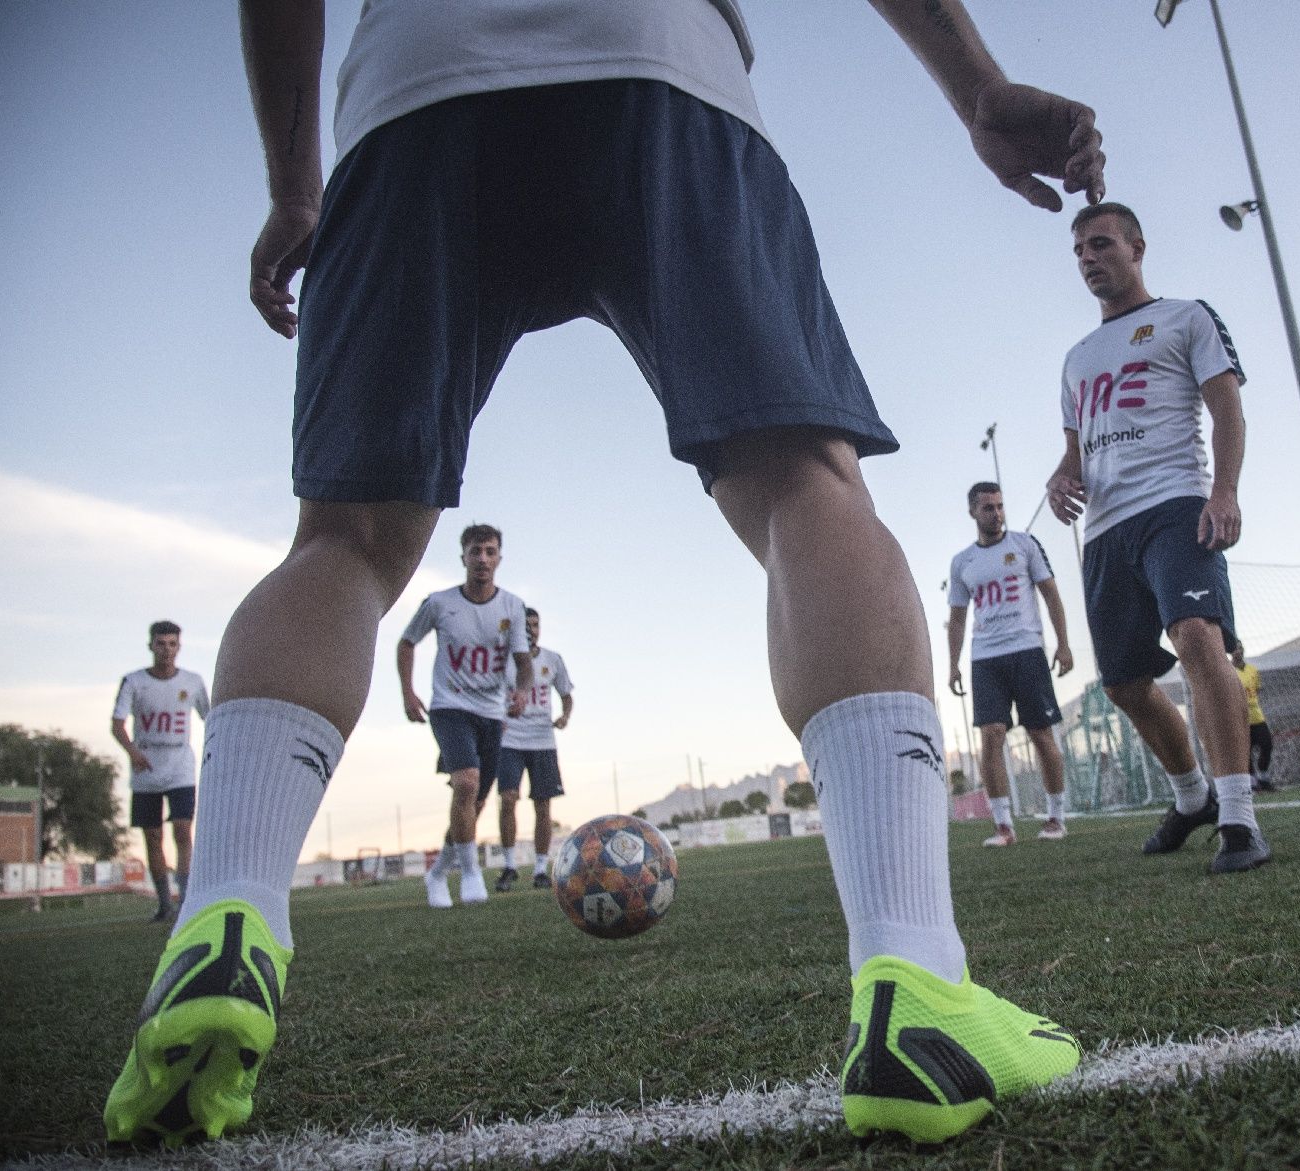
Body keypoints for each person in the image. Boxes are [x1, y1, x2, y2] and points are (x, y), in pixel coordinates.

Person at [105, 0, 1103, 1148]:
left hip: (414, 86)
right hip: (656, 60)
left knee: (344, 538)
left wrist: (293, 180)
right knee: (802, 489)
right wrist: (975, 85)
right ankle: (915, 983)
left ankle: (224, 912)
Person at [1046, 202, 1269, 874]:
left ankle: (1238, 817)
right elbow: (1073, 451)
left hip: (1175, 505)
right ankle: (1191, 795)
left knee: (1199, 636)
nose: (1088, 258)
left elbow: (1228, 409)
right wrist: (1062, 478)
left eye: (1101, 244)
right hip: (1106, 530)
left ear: (1136, 247)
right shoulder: (1077, 358)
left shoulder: (1186, 317)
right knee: (1123, 684)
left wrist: (1224, 490)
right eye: (1079, 250)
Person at [398, 524, 531, 908]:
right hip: (449, 707)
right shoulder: (440, 603)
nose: (483, 559)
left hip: (492, 713)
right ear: (464, 558)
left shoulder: (512, 607)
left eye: (490, 551)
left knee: (473, 803)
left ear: (499, 558)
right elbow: (407, 642)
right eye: (476, 551)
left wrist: (521, 691)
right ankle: (472, 874)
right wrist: (409, 691)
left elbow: (523, 663)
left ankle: (438, 872)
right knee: (466, 784)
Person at [946, 481, 1073, 845]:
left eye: (1000, 506)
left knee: (1041, 734)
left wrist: (1063, 644)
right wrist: (953, 665)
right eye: (988, 508)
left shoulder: (1025, 545)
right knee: (991, 737)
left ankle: (1056, 817)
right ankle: (1003, 825)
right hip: (985, 658)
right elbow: (957, 618)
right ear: (973, 512)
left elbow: (1051, 596)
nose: (996, 513)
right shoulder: (962, 562)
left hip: (1027, 651)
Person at [110, 621, 210, 922]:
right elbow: (117, 724)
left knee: (182, 830)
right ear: (151, 646)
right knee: (153, 837)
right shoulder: (134, 681)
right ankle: (164, 903)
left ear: (179, 647)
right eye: (161, 643)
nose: (166, 649)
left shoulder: (192, 682)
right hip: (147, 772)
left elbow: (211, 716)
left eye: (172, 644)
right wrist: (133, 752)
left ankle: (186, 900)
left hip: (180, 768)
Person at [477, 607, 573, 890]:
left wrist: (565, 716)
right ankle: (509, 866)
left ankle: (541, 869)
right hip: (509, 739)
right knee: (507, 798)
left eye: (535, 624)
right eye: (526, 625)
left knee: (543, 804)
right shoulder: (503, 660)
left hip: (542, 740)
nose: (531, 629)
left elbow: (567, 695)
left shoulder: (552, 659)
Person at [1230, 640, 1275, 792]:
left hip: (1256, 715)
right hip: (1238, 718)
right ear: (1230, 651)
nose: (1239, 651)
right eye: (1235, 649)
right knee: (1245, 751)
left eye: (1241, 648)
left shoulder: (1253, 670)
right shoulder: (1228, 671)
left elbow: (1256, 691)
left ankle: (1263, 776)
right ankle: (1252, 782)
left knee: (1267, 743)